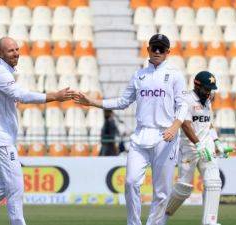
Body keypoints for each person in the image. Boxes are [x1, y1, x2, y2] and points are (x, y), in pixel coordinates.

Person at [74, 34, 188, 225]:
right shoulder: (139, 75)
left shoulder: (175, 75)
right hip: (141, 135)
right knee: (131, 182)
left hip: (165, 136)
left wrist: (174, 127)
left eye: (162, 49)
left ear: (168, 52)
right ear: (148, 49)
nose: (158, 52)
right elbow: (122, 102)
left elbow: (183, 105)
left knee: (161, 191)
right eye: (154, 48)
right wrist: (92, 102)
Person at [0, 37, 74, 225]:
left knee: (4, 184)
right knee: (15, 187)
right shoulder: (0, 75)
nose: (16, 53)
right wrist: (55, 96)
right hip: (0, 138)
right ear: (0, 53)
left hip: (2, 137)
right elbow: (22, 95)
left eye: (17, 49)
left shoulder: (1, 73)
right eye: (10, 50)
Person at [163, 71, 231, 225]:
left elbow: (208, 124)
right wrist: (198, 144)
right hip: (189, 148)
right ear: (197, 85)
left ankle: (210, 222)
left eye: (211, 89)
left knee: (214, 182)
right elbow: (185, 125)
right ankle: (162, 216)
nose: (209, 92)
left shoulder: (208, 100)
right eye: (206, 89)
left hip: (206, 146)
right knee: (184, 188)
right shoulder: (186, 99)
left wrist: (217, 142)